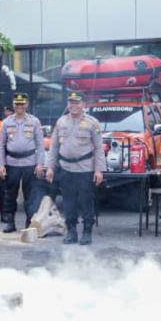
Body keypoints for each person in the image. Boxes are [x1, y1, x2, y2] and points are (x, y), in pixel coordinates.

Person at [46, 92, 105, 244]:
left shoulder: (93, 123)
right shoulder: (61, 122)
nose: (74, 105)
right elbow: (54, 147)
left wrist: (99, 170)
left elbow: (99, 148)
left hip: (85, 169)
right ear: (68, 104)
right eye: (71, 102)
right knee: (68, 202)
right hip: (65, 169)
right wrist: (50, 167)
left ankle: (87, 231)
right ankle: (71, 232)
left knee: (86, 202)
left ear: (83, 104)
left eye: (77, 102)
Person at [0, 93, 45, 233]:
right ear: (13, 105)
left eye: (22, 103)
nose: (19, 106)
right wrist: (1, 164)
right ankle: (10, 222)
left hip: (30, 163)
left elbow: (40, 145)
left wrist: (40, 163)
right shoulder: (6, 122)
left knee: (30, 194)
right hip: (11, 163)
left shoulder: (34, 121)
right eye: (17, 104)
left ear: (26, 104)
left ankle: (29, 222)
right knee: (10, 194)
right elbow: (1, 145)